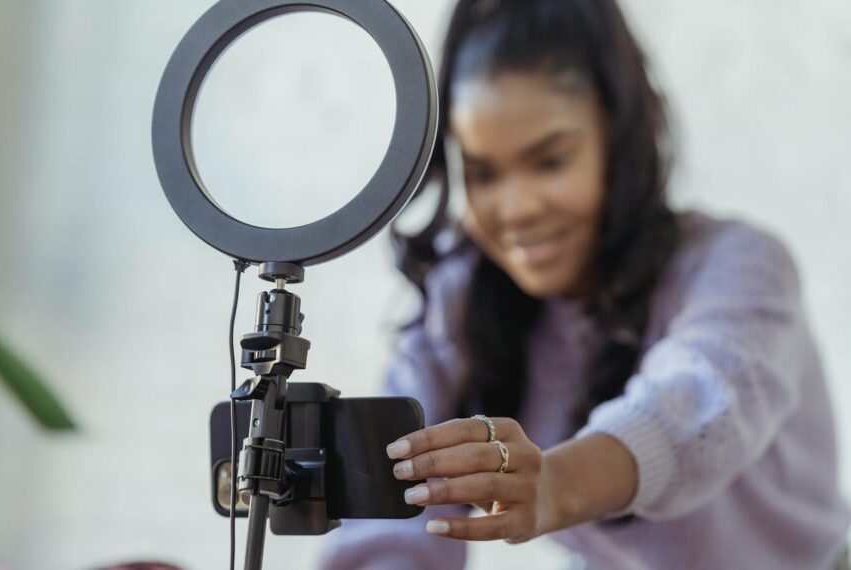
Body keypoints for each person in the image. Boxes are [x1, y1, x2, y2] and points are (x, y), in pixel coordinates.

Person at [319, 0, 851, 568]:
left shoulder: (740, 266)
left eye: (550, 161)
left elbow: (694, 407)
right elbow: (387, 515)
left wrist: (551, 486)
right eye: (483, 174)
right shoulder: (461, 300)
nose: (516, 209)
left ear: (616, 139)